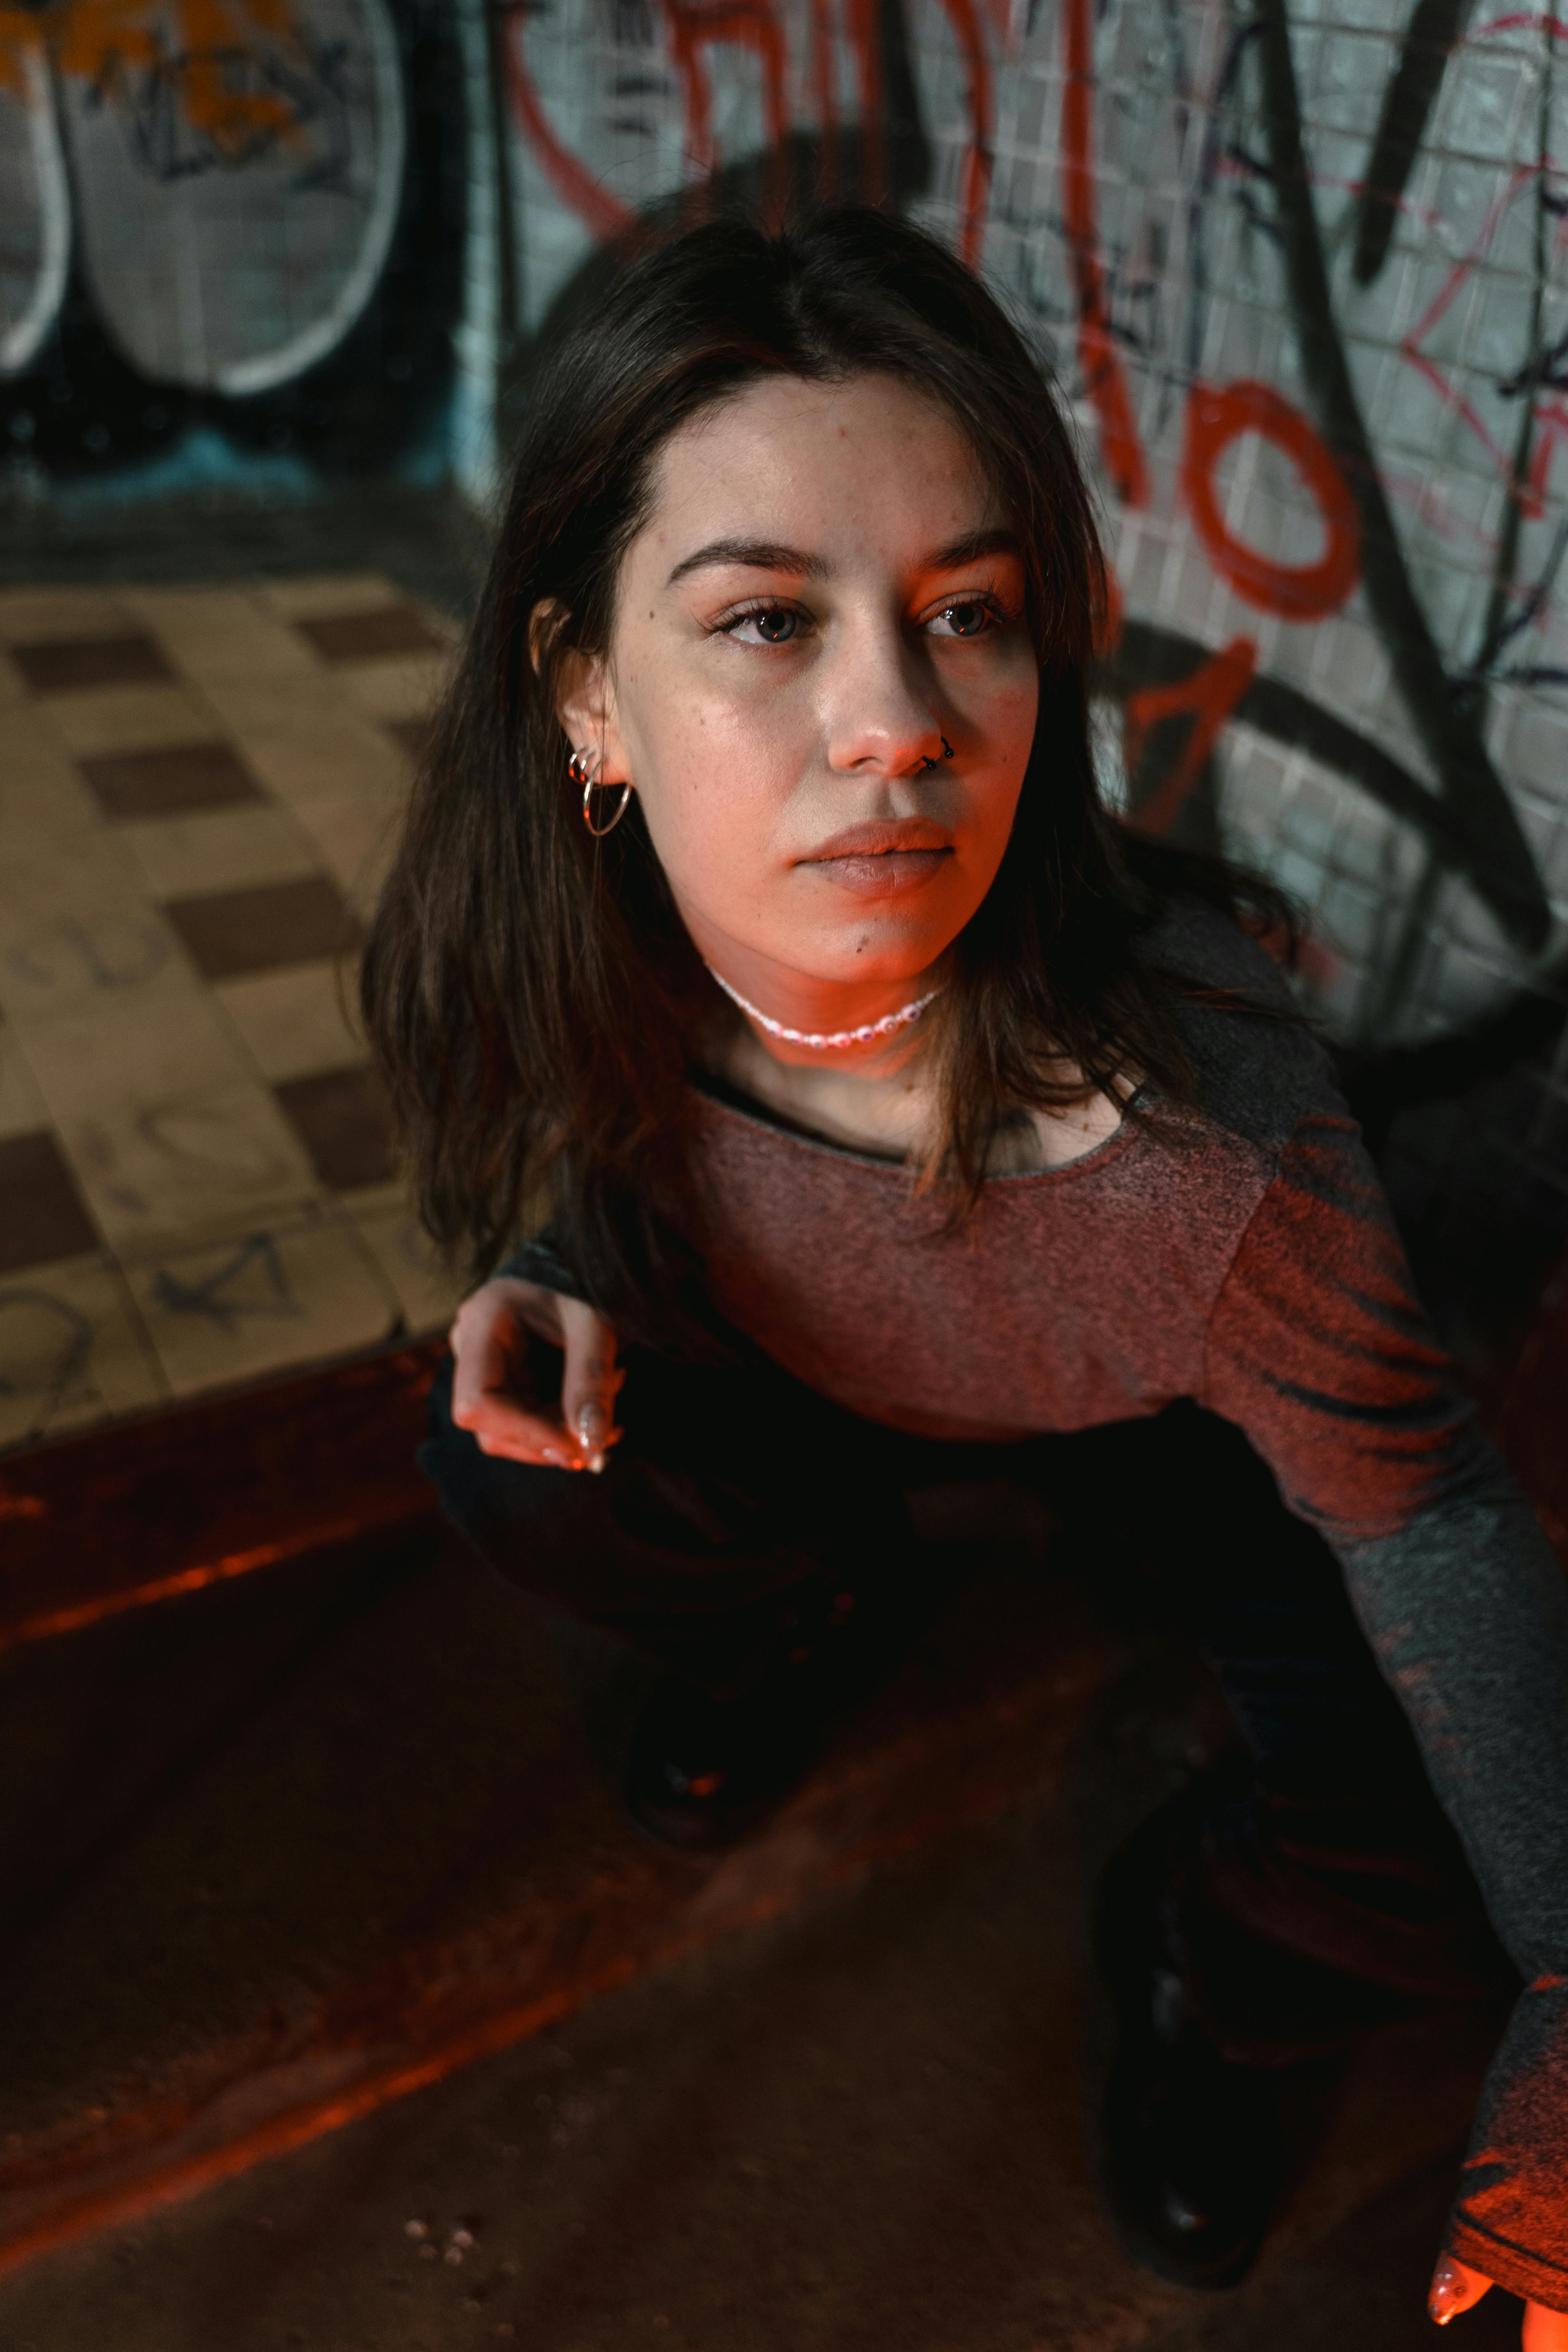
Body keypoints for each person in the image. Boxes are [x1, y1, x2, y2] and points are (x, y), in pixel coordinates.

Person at [362, 206, 1568, 2334]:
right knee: (509, 1458)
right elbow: (626, 1156)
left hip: (1176, 1436)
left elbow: (1434, 1513)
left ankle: (1201, 1956)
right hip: (812, 1388)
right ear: (586, 700)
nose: (900, 721)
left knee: (1428, 1885)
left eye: (968, 611)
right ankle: (818, 1591)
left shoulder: (1207, 1138)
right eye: (762, 622)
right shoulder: (603, 936)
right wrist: (561, 1265)